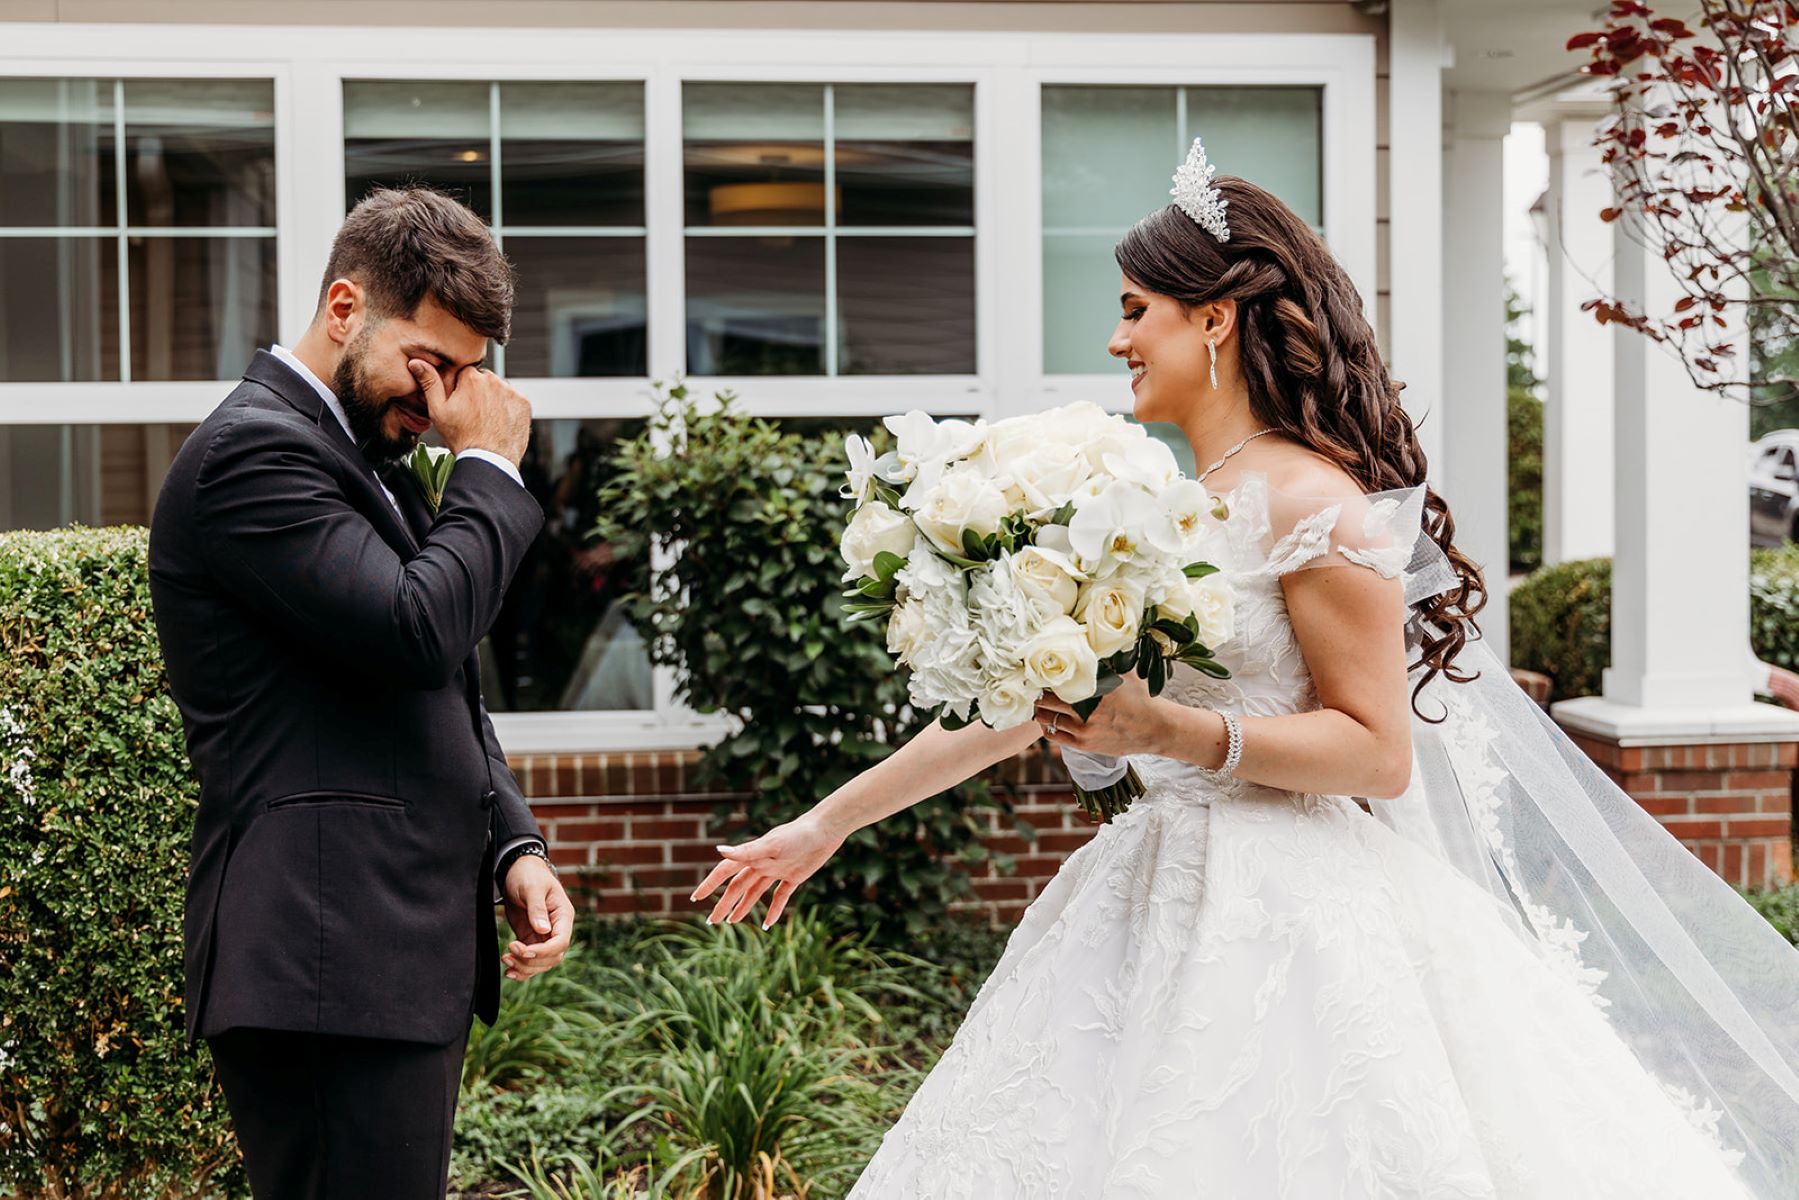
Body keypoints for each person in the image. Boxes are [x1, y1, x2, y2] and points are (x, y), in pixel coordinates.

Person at [691, 142, 1799, 1196]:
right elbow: (1029, 710)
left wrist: (1171, 735)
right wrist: (826, 822)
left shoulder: (1311, 502)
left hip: (1295, 921)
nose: (1117, 340)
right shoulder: (1155, 505)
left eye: (1136, 311)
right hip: (1147, 890)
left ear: (1213, 317)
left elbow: (1375, 754)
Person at [148, 186, 574, 1200]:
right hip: (324, 957)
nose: (441, 401)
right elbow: (415, 631)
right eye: (427, 364)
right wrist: (491, 471)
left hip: (372, 960)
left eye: (467, 374)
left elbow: (437, 689)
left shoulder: (359, 452)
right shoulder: (254, 454)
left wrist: (510, 841)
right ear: (345, 308)